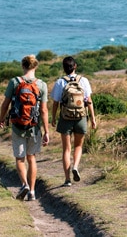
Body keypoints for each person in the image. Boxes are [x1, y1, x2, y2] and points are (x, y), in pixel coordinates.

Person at [0, 55, 49, 201]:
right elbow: (44, 111)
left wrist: (2, 119)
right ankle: (32, 191)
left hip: (17, 126)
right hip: (34, 126)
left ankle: (24, 184)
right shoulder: (41, 85)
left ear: (23, 66)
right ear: (36, 66)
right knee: (31, 157)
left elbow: (5, 104)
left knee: (20, 158)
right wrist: (46, 131)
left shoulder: (14, 82)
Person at [51, 56, 97, 186]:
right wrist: (92, 119)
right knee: (78, 146)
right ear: (75, 66)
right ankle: (75, 166)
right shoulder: (84, 81)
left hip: (65, 118)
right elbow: (88, 101)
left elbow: (55, 103)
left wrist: (54, 118)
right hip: (81, 117)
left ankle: (67, 180)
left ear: (64, 68)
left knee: (66, 149)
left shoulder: (60, 82)